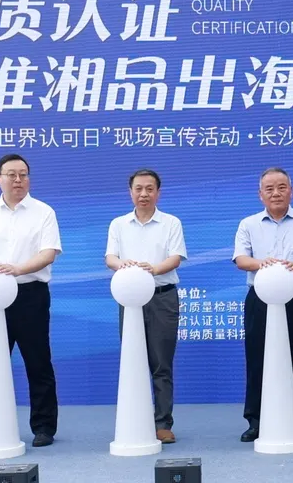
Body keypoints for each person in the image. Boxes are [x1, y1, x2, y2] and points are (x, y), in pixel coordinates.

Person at [0, 154, 62, 448]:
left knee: (38, 362)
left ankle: (43, 427)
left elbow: (49, 252)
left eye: (23, 174)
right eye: (11, 174)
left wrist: (18, 269)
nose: (18, 180)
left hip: (30, 294)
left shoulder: (43, 211)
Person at [233, 167, 293, 443]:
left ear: (291, 191)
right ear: (260, 194)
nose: (276, 193)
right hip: (259, 298)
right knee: (257, 358)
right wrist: (262, 264)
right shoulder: (248, 224)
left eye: (282, 187)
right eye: (269, 188)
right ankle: (256, 421)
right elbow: (241, 259)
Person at [105, 169, 187, 444]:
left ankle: (163, 423)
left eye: (149, 189)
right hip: (130, 301)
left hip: (162, 296)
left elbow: (175, 258)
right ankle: (135, 421)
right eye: (138, 189)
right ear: (130, 192)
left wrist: (151, 270)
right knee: (133, 360)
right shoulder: (118, 224)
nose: (143, 194)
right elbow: (110, 258)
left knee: (161, 363)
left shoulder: (171, 222)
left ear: (158, 193)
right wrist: (124, 265)